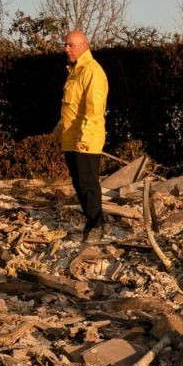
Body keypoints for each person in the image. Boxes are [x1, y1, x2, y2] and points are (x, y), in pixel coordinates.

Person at [54, 30, 109, 242]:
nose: (66, 49)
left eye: (71, 45)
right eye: (65, 45)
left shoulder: (92, 71)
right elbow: (71, 108)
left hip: (86, 139)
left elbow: (93, 109)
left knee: (88, 183)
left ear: (84, 46)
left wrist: (84, 138)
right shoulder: (74, 71)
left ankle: (97, 225)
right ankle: (90, 222)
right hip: (72, 138)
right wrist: (60, 129)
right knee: (78, 183)